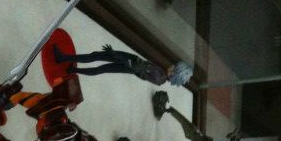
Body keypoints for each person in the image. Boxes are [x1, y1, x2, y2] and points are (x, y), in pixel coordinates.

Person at [54, 44, 192, 86]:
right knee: (100, 68)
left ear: (174, 73)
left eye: (175, 68)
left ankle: (62, 58)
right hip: (127, 66)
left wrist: (115, 54)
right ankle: (72, 69)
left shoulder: (158, 73)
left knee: (95, 57)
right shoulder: (160, 78)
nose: (172, 66)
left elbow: (136, 66)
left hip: (127, 62)